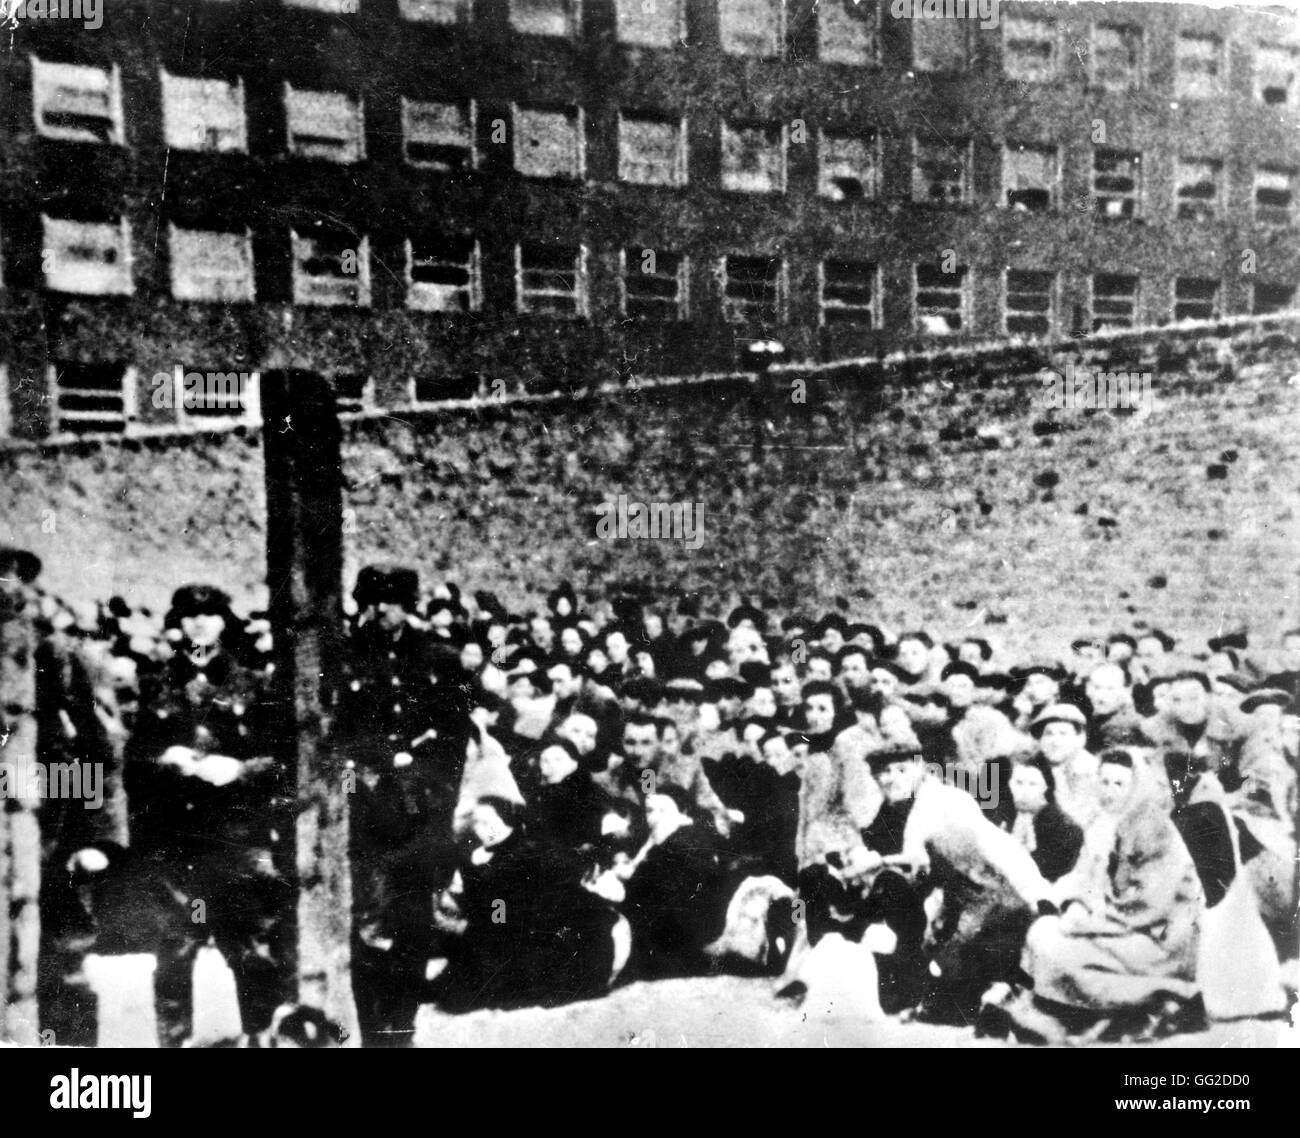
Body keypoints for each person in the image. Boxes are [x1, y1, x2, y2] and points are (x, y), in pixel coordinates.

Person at [124, 584, 292, 1048]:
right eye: (190, 616)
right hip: (176, 836)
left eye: (211, 614)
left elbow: (281, 759)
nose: (200, 623)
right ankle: (173, 1042)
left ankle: (261, 1036)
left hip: (237, 834)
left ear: (224, 622)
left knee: (252, 946)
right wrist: (165, 758)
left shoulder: (253, 683)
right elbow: (133, 758)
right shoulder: (157, 682)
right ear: (179, 624)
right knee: (175, 945)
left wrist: (238, 769)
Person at [1002, 749, 1205, 1043]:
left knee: (1060, 951)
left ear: (1137, 786)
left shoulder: (1155, 828)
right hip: (1118, 922)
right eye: (1104, 781)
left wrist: (1093, 923)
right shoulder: (1106, 823)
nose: (1109, 791)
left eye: (1119, 784)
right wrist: (1076, 906)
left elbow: (1151, 903)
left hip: (1158, 936)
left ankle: (1156, 999)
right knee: (1041, 932)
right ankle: (1079, 1013)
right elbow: (1089, 879)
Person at [619, 785, 730, 979]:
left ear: (669, 811)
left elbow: (657, 882)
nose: (650, 817)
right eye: (648, 811)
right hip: (678, 913)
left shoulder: (681, 840)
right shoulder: (670, 835)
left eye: (654, 811)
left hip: (684, 921)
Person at [1006, 754, 1084, 882]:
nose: (1024, 791)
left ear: (1045, 787)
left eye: (1032, 784)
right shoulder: (1004, 817)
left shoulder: (1067, 830)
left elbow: (1048, 874)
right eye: (1018, 783)